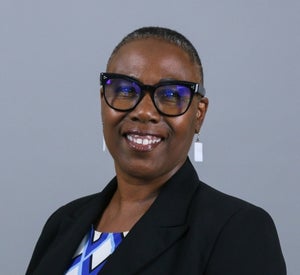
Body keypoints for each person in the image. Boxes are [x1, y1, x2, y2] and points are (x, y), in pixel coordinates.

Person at [26, 26, 286, 275]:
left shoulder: (238, 230)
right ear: (103, 102)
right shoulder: (63, 223)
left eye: (172, 95)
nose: (144, 112)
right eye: (126, 90)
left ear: (199, 115)